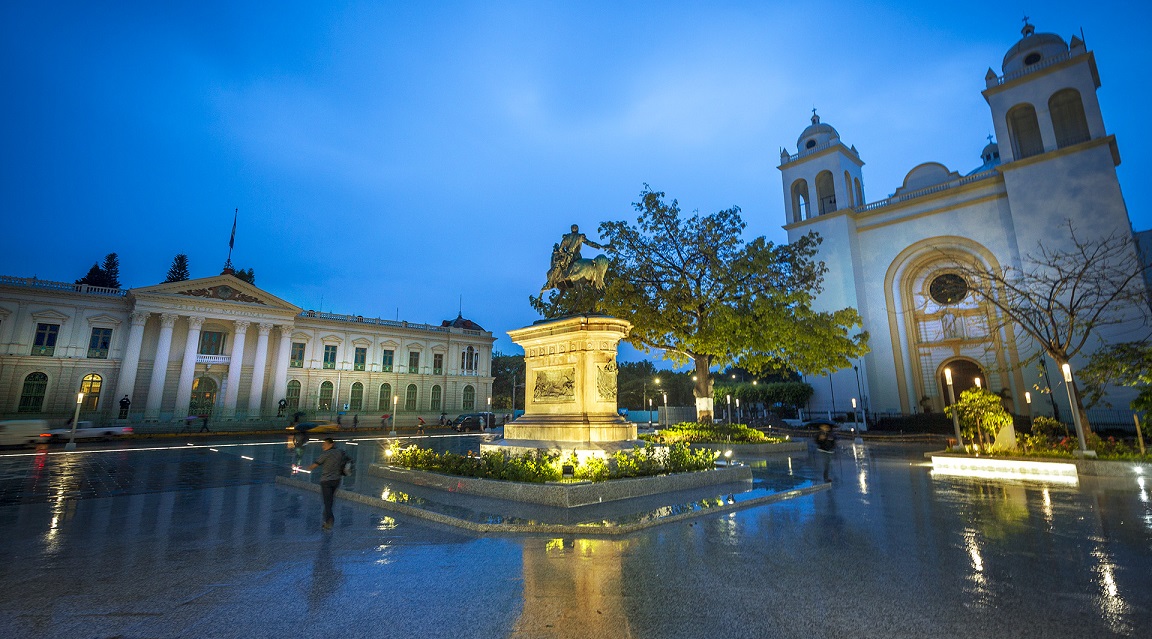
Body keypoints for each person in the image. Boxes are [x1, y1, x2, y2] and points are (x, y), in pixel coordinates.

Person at [307, 438, 349, 530]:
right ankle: (326, 518)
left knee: (327, 502)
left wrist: (306, 468)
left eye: (325, 444)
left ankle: (329, 521)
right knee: (330, 500)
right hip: (336, 480)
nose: (323, 446)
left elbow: (314, 465)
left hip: (326, 481)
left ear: (331, 444)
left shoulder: (325, 454)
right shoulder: (339, 452)